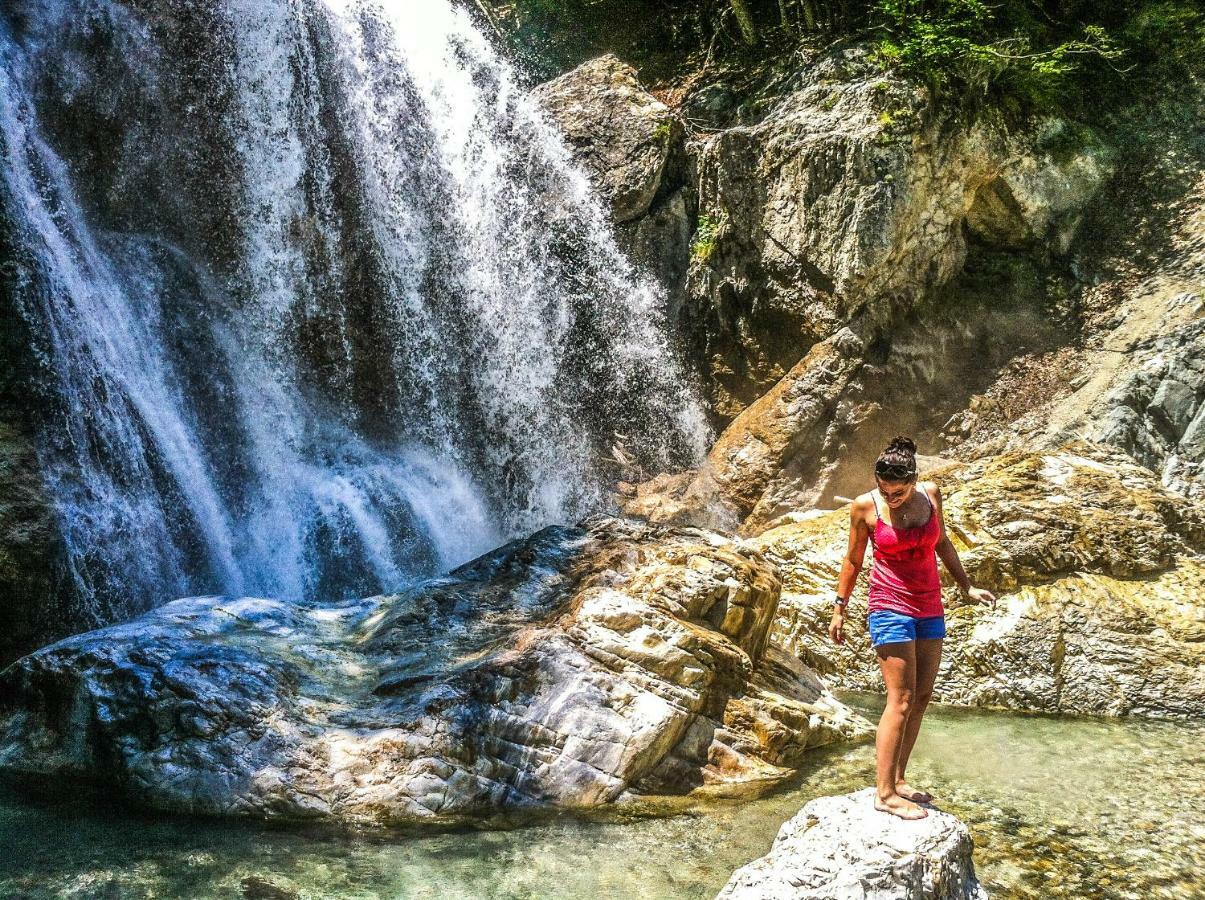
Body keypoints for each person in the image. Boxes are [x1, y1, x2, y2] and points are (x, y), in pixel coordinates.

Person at [828, 436, 996, 819]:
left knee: (921, 697)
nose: (891, 496)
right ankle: (883, 793)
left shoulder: (931, 494)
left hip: (929, 606)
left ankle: (899, 779)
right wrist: (840, 608)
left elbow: (943, 543)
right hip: (889, 606)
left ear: (915, 480)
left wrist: (967, 586)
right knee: (900, 699)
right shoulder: (864, 507)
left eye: (898, 491)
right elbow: (853, 561)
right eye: (885, 489)